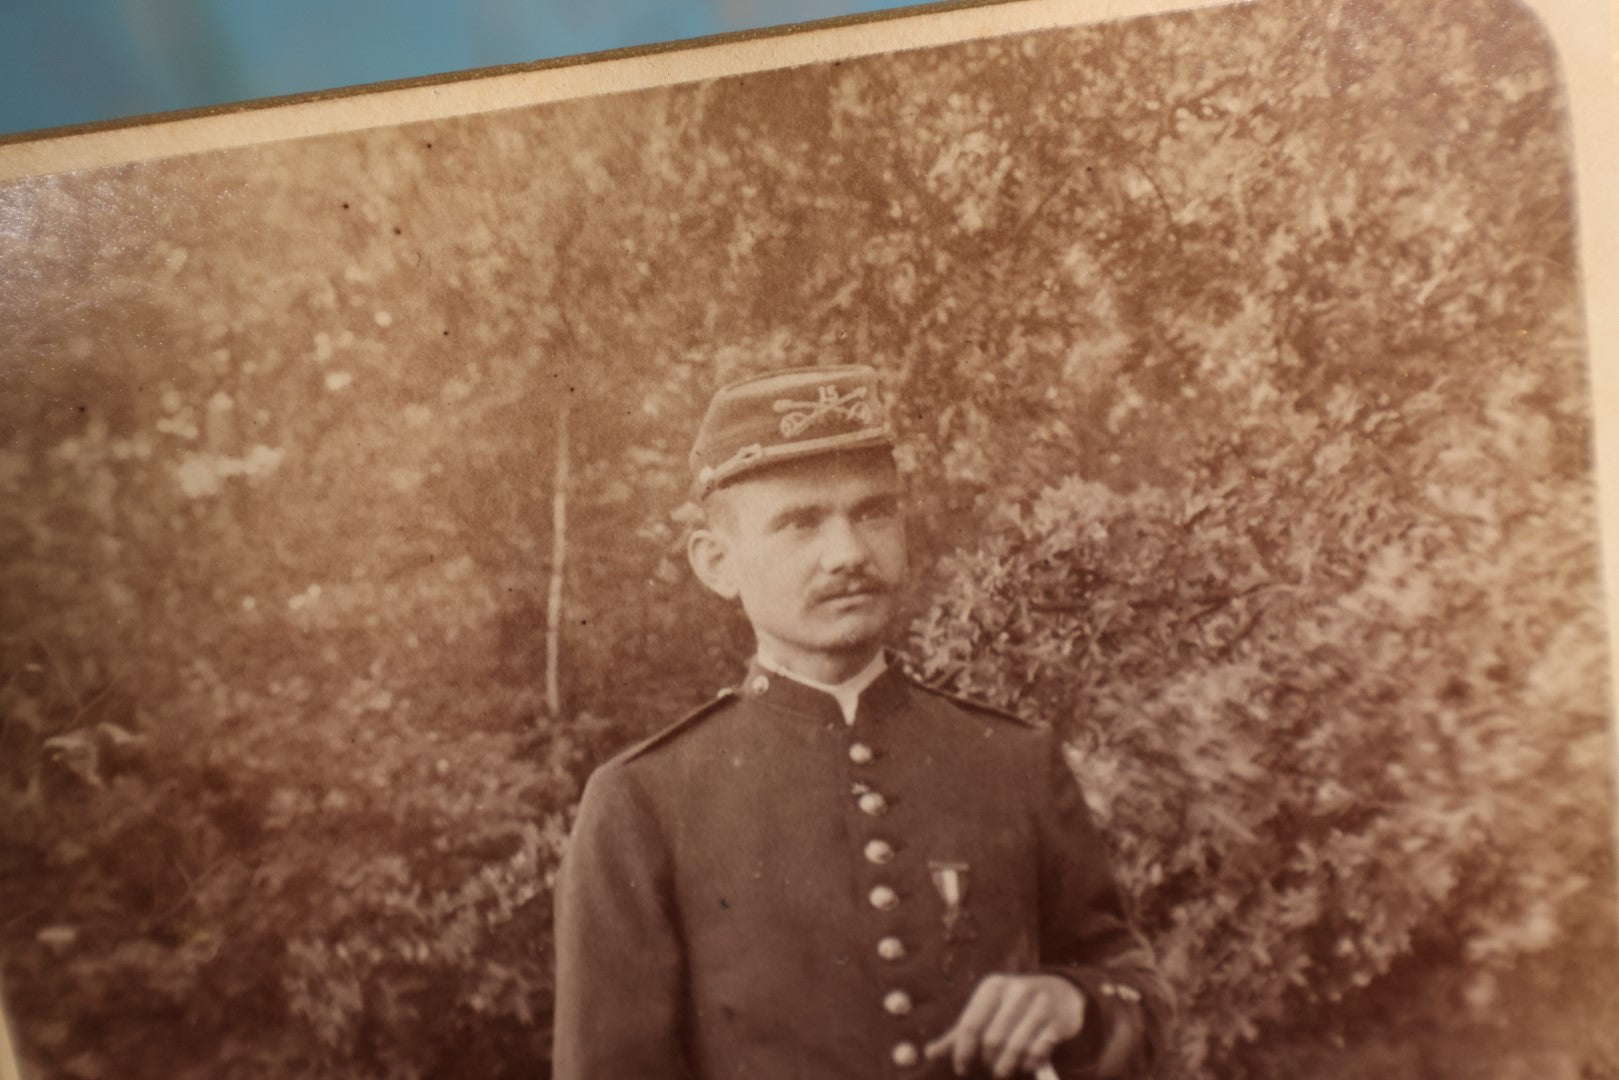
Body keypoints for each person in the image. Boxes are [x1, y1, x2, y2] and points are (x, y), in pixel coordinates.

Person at [552, 365, 1172, 1079]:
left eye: (873, 512)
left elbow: (1137, 997)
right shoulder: (643, 804)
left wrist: (1076, 1006)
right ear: (716, 563)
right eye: (800, 522)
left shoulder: (1012, 762)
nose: (847, 553)